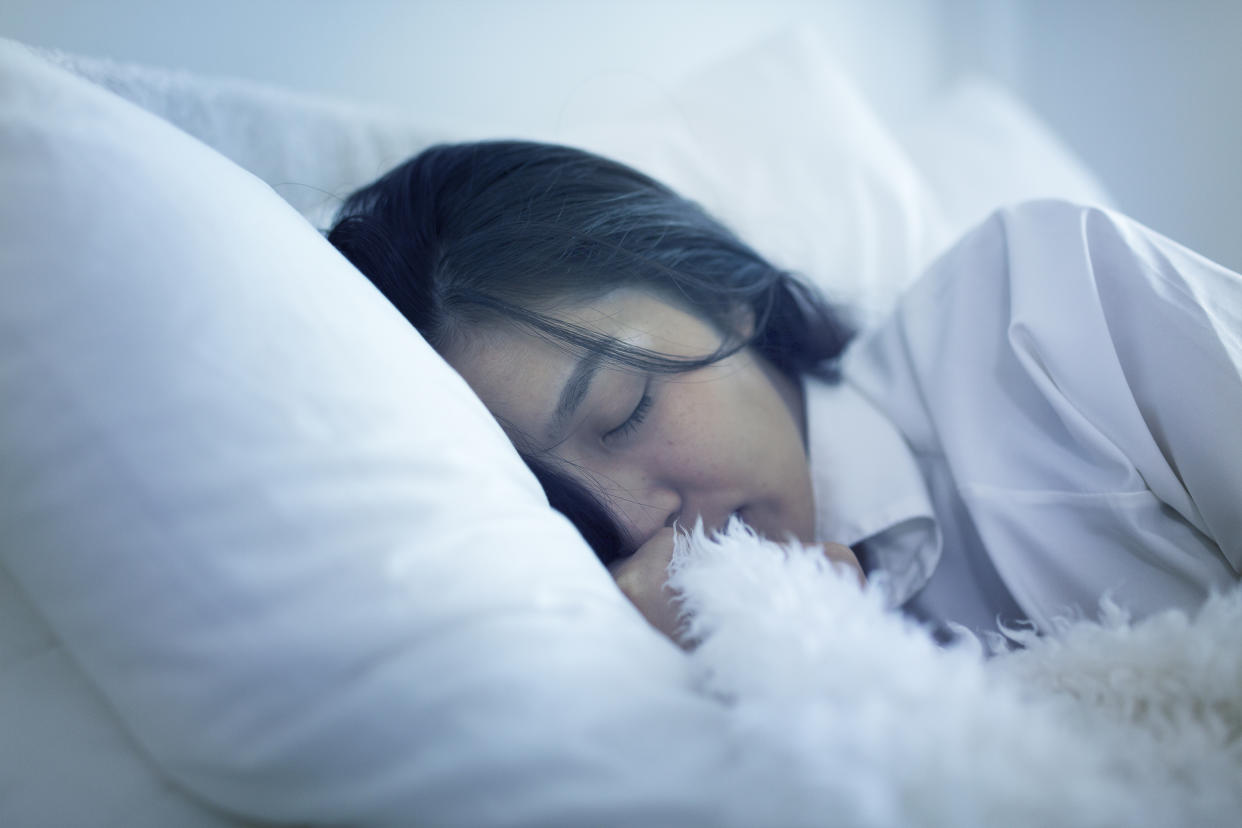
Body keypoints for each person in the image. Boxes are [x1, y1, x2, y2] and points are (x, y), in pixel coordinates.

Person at [327, 140, 1241, 643]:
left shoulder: (1042, 305)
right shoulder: (634, 652)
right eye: (570, 514)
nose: (645, 524)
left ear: (718, 288)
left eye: (628, 409)